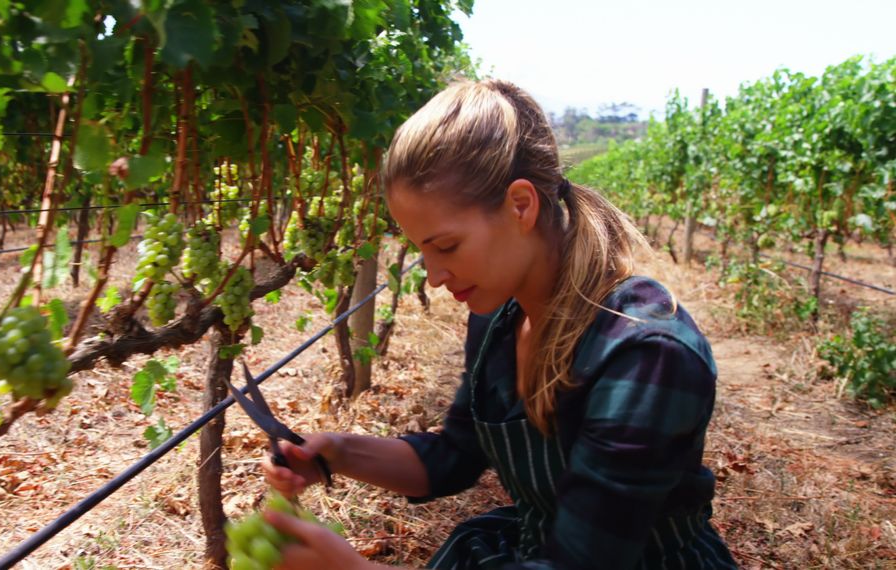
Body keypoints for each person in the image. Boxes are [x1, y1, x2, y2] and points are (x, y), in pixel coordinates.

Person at [261, 79, 738, 570]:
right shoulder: (497, 322)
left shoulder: (645, 355)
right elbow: (453, 457)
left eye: (445, 247)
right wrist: (336, 452)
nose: (436, 276)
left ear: (521, 205)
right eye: (421, 251)